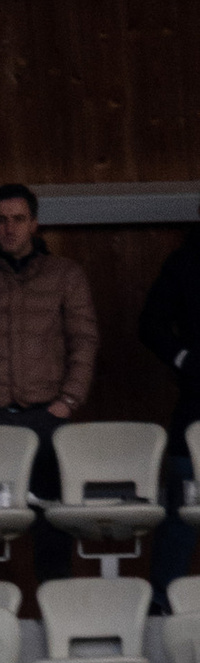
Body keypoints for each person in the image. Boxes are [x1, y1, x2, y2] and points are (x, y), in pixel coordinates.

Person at [0, 182, 97, 583]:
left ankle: (55, 617)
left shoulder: (65, 274)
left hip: (47, 415)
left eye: (18, 220)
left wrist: (69, 400)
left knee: (53, 529)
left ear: (35, 224)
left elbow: (85, 338)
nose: (9, 228)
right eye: (1, 220)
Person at [137, 201, 200, 604]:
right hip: (197, 405)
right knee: (182, 508)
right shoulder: (186, 261)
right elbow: (151, 323)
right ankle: (162, 605)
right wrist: (184, 359)